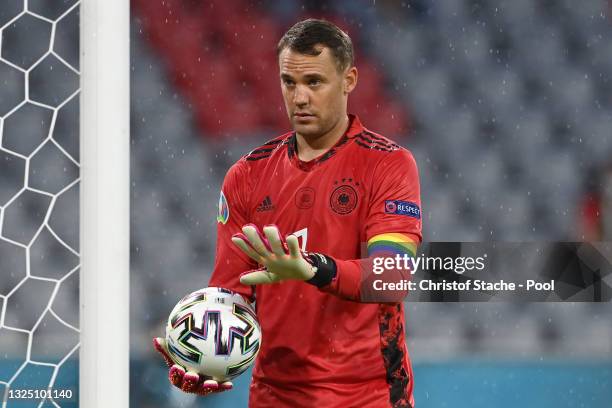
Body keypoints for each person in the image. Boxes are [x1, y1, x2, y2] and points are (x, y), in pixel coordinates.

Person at [154, 18, 422, 407]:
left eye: (314, 82)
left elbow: (391, 277)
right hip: (275, 397)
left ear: (349, 80)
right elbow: (231, 294)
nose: (299, 98)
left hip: (368, 395)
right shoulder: (246, 175)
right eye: (289, 82)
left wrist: (314, 269)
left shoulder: (388, 165)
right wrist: (203, 360)